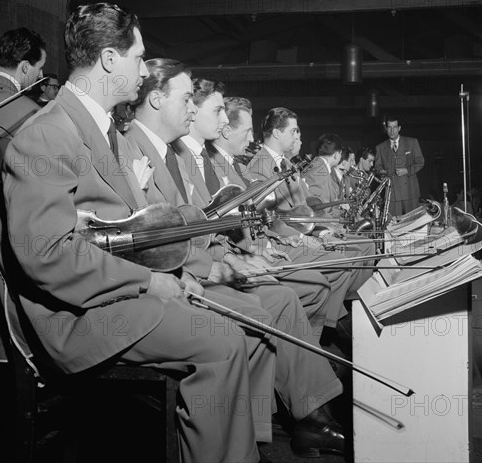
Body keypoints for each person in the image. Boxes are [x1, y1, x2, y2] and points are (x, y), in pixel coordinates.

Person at [2, 3, 276, 463]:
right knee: (222, 340)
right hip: (77, 316)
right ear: (109, 59)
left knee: (236, 326)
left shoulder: (103, 130)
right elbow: (47, 254)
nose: (142, 68)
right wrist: (150, 282)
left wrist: (176, 274)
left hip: (112, 294)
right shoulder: (48, 133)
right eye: (137, 57)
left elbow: (127, 231)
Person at [126, 60, 348, 458]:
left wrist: (234, 255)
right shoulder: (151, 150)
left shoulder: (180, 155)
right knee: (271, 305)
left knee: (284, 296)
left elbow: (211, 225)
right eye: (196, 103)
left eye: (201, 105)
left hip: (205, 259)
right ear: (158, 100)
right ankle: (284, 418)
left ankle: (297, 411)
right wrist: (222, 263)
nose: (198, 112)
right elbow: (160, 235)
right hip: (175, 273)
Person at [246, 107, 373, 330]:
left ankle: (334, 322)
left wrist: (322, 231)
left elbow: (304, 209)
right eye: (294, 131)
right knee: (342, 263)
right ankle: (331, 328)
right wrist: (302, 238)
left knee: (350, 257)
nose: (298, 137)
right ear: (277, 133)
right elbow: (268, 219)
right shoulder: (259, 166)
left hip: (297, 236)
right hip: (280, 242)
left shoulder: (287, 165)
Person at [0, 27, 46, 362]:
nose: (39, 77)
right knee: (6, 313)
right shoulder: (27, 112)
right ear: (24, 67)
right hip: (0, 223)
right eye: (38, 70)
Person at [374, 115, 424, 216]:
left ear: (399, 128)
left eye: (395, 127)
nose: (392, 130)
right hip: (392, 194)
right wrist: (381, 172)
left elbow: (420, 162)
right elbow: (377, 167)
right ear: (386, 128)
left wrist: (407, 170)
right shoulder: (380, 148)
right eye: (389, 127)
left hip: (410, 191)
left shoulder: (412, 142)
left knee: (413, 223)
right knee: (393, 225)